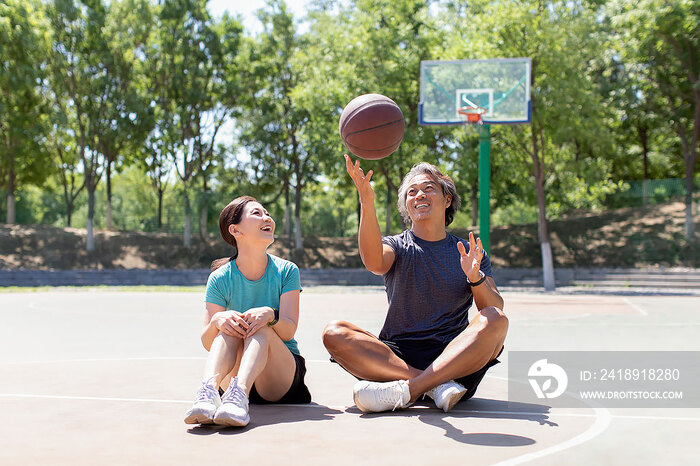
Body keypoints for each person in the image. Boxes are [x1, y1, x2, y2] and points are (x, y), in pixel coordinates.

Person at [322, 155, 508, 413]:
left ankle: (409, 389)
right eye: (412, 192)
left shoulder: (468, 251)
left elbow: (494, 307)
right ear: (407, 207)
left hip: (454, 356)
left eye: (428, 188)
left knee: (495, 319)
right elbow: (375, 263)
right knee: (335, 333)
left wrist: (475, 277)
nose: (419, 195)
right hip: (396, 357)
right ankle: (433, 386)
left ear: (448, 200)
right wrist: (367, 200)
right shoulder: (397, 246)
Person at [184, 196, 311, 427]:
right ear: (235, 230)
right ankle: (209, 392)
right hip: (232, 375)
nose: (267, 217)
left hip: (278, 376)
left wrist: (271, 315)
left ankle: (240, 395)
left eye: (268, 213)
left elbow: (289, 331)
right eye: (257, 213)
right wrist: (217, 321)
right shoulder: (220, 277)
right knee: (227, 327)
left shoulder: (287, 271)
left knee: (259, 325)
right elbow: (207, 341)